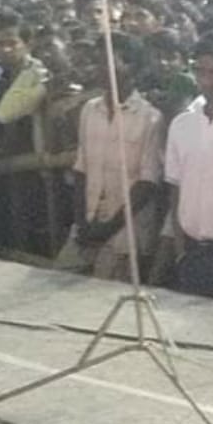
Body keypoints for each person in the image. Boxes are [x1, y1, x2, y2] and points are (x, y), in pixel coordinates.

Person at [55, 35, 163, 281]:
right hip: (87, 223)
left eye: (108, 62)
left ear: (131, 66)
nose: (99, 69)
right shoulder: (90, 110)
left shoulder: (150, 117)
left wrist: (108, 228)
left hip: (125, 231)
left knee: (106, 294)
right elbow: (81, 169)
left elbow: (147, 183)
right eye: (98, 62)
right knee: (58, 281)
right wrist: (82, 222)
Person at [165, 35, 213, 299]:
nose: (208, 82)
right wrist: (180, 248)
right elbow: (176, 186)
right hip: (193, 251)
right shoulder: (182, 125)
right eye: (201, 72)